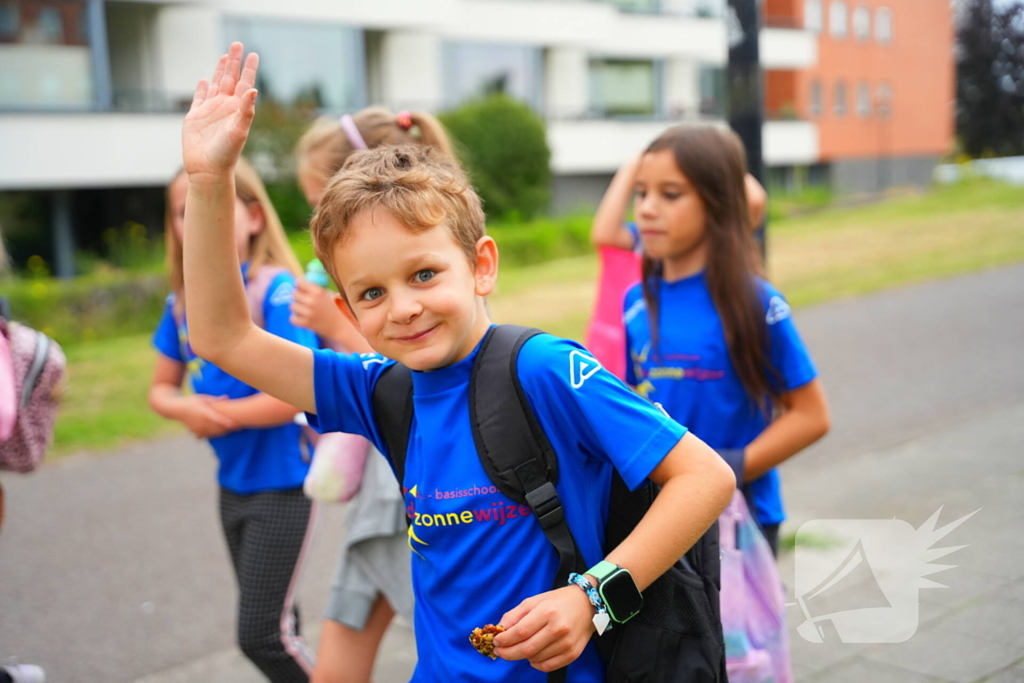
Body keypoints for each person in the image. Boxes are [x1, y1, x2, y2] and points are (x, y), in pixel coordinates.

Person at [179, 43, 735, 682]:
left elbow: (704, 478)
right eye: (372, 293)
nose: (404, 308)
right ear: (348, 310)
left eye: (423, 273)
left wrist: (594, 599)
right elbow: (222, 337)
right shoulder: (379, 391)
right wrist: (208, 181)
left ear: (481, 265)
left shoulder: (543, 369)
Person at [592, 124, 830, 555]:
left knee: (735, 629)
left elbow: (811, 416)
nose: (646, 209)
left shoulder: (754, 301)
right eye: (641, 192)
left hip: (739, 523)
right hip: (659, 521)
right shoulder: (635, 302)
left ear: (717, 203)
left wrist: (727, 469)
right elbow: (641, 401)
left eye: (671, 194)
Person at [288, 105, 454, 683]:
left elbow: (420, 373)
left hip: (404, 502)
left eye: (321, 203)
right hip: (380, 504)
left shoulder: (441, 295)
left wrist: (339, 330)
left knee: (451, 644)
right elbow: (224, 339)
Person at [149, 159, 320, 682]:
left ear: (252, 217)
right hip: (232, 486)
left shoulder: (277, 291)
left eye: (214, 205)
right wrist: (186, 408)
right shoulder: (182, 305)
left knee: (262, 637)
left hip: (285, 484)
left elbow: (298, 393)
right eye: (186, 211)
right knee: (280, 623)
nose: (199, 220)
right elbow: (160, 389)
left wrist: (219, 416)